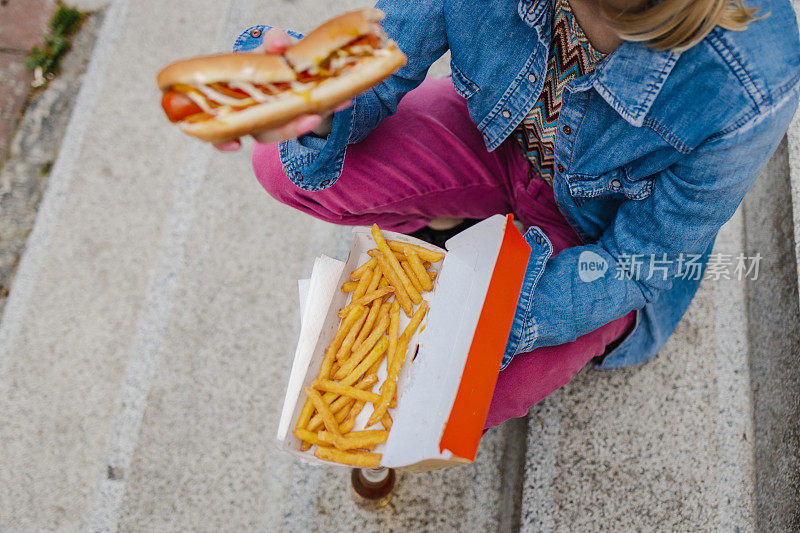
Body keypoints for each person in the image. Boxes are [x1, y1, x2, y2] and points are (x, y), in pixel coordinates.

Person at [220, 0, 800, 430]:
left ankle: (478, 251)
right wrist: (318, 103)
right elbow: (385, 59)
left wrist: (503, 317)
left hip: (593, 242)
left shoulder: (753, 76)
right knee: (281, 161)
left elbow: (642, 261)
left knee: (442, 403)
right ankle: (462, 226)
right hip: (498, 136)